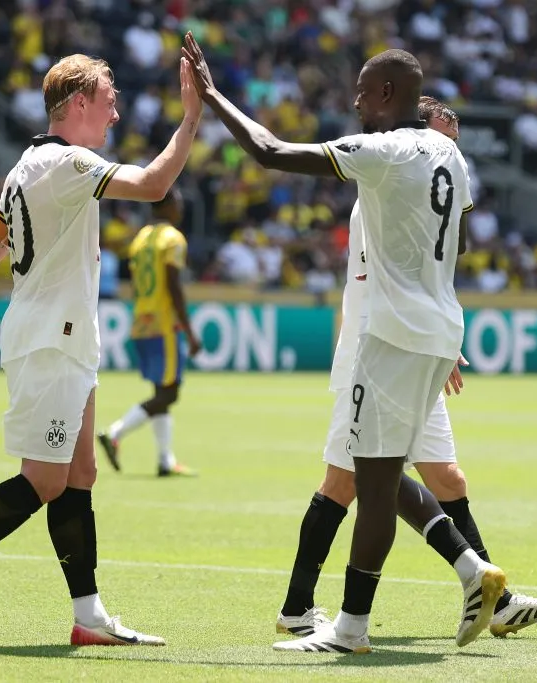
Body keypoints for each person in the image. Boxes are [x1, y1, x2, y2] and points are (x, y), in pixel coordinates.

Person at [182, 33, 505, 652]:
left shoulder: (382, 150)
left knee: (374, 485)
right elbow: (457, 244)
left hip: (389, 335)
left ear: (387, 93)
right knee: (387, 477)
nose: (356, 104)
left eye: (362, 93)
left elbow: (271, 151)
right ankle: (470, 572)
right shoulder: (450, 153)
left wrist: (214, 95)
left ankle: (350, 627)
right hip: (442, 329)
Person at [0, 53, 202, 648]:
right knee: (44, 478)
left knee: (79, 473)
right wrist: (190, 117)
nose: (116, 110)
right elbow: (156, 184)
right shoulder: (69, 161)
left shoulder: (25, 167)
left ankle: (88, 617)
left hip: (62, 336)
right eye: (108, 97)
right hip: (52, 339)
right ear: (79, 101)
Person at [274, 96, 537, 647]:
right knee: (348, 481)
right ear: (416, 126)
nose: (448, 139)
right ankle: (299, 609)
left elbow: (430, 264)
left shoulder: (428, 177)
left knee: (444, 477)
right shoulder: (392, 173)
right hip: (377, 345)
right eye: (441, 126)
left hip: (417, 341)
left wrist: (441, 339)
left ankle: (494, 599)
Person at [97, 186, 201, 477]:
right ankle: (115, 433)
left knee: (161, 390)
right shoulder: (172, 239)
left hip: (141, 320)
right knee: (170, 395)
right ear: (167, 205)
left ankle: (165, 460)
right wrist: (190, 331)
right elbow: (173, 286)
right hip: (163, 324)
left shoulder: (140, 239)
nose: (181, 209)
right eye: (178, 202)